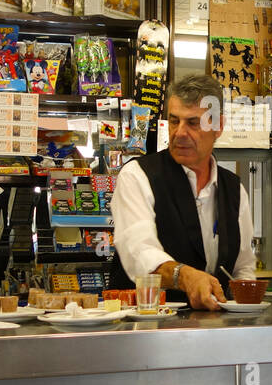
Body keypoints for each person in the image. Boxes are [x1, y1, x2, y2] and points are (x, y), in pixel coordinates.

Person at [107, 73, 256, 309]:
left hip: (211, 331)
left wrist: (244, 307)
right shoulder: (137, 176)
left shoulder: (234, 189)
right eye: (174, 121)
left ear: (218, 127)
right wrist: (185, 276)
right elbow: (139, 251)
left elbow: (243, 266)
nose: (179, 133)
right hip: (142, 329)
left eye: (193, 123)